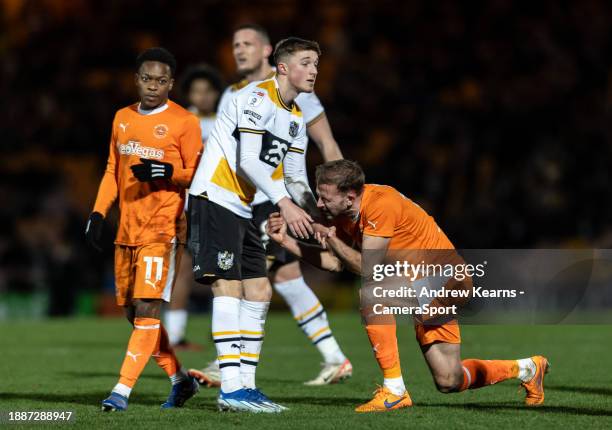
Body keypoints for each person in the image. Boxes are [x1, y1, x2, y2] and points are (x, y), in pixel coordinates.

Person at [266, 159, 549, 412]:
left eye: (325, 197)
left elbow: (367, 269)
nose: (319, 203)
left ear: (350, 196)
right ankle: (527, 368)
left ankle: (394, 391)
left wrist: (330, 238)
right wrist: (287, 243)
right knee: (449, 379)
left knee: (372, 294)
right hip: (419, 284)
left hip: (449, 280)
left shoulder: (380, 204)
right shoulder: (346, 214)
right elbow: (336, 262)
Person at [190, 23, 351, 389]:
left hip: (252, 205)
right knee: (240, 285)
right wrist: (286, 204)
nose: (314, 71)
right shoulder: (250, 97)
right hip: (223, 198)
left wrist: (320, 214)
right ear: (283, 65)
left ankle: (244, 380)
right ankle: (232, 380)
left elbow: (296, 173)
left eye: (316, 65)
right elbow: (247, 159)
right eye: (307, 63)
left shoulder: (296, 112)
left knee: (268, 284)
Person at [85, 47, 201, 411]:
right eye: (147, 79)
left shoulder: (184, 122)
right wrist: (99, 212)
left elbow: (197, 173)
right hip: (127, 228)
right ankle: (180, 381)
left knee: (147, 309)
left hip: (163, 226)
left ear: (171, 83)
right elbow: (110, 170)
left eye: (161, 80)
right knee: (135, 315)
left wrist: (167, 172)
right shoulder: (122, 118)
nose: (154, 86)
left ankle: (121, 392)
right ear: (137, 80)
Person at [164, 65, 224, 350]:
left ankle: (224, 332)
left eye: (207, 90)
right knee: (183, 269)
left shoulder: (227, 121)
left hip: (219, 203)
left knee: (222, 269)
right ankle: (174, 336)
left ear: (216, 93)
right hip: (186, 205)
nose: (202, 96)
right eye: (196, 91)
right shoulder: (181, 121)